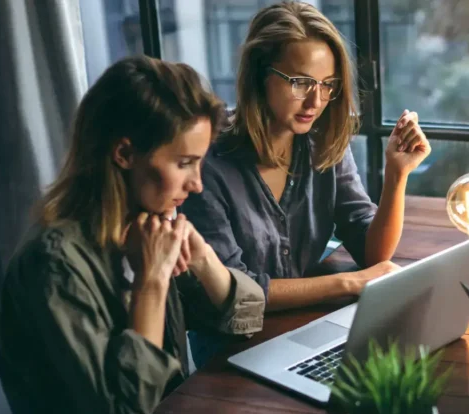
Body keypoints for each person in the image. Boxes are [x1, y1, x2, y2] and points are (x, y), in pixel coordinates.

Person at [0, 56, 266, 414]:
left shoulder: (148, 227)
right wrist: (152, 283)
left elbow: (248, 316)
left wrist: (203, 259)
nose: (196, 185)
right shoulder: (54, 265)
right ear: (124, 153)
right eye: (184, 163)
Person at [182, 1, 431, 368]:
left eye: (327, 85)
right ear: (258, 74)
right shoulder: (208, 162)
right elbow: (238, 289)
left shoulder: (322, 142)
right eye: (300, 83)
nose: (316, 101)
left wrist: (397, 175)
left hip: (302, 327)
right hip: (228, 350)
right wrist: (350, 283)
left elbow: (373, 253)